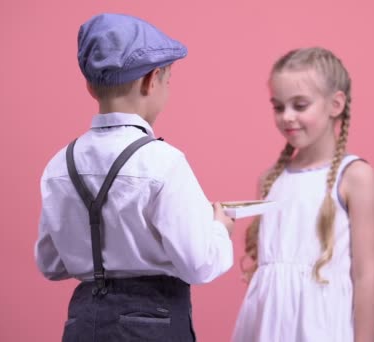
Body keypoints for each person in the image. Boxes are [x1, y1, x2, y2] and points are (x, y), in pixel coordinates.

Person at [34, 13, 235, 342]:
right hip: (154, 323)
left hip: (83, 324)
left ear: (89, 85)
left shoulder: (59, 166)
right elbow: (199, 264)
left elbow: (50, 263)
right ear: (151, 80)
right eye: (168, 82)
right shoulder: (163, 163)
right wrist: (219, 229)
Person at [232, 47, 374, 342]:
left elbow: (366, 277)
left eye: (300, 105)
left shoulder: (354, 177)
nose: (287, 117)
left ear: (335, 104)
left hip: (321, 325)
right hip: (268, 324)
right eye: (278, 106)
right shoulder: (270, 179)